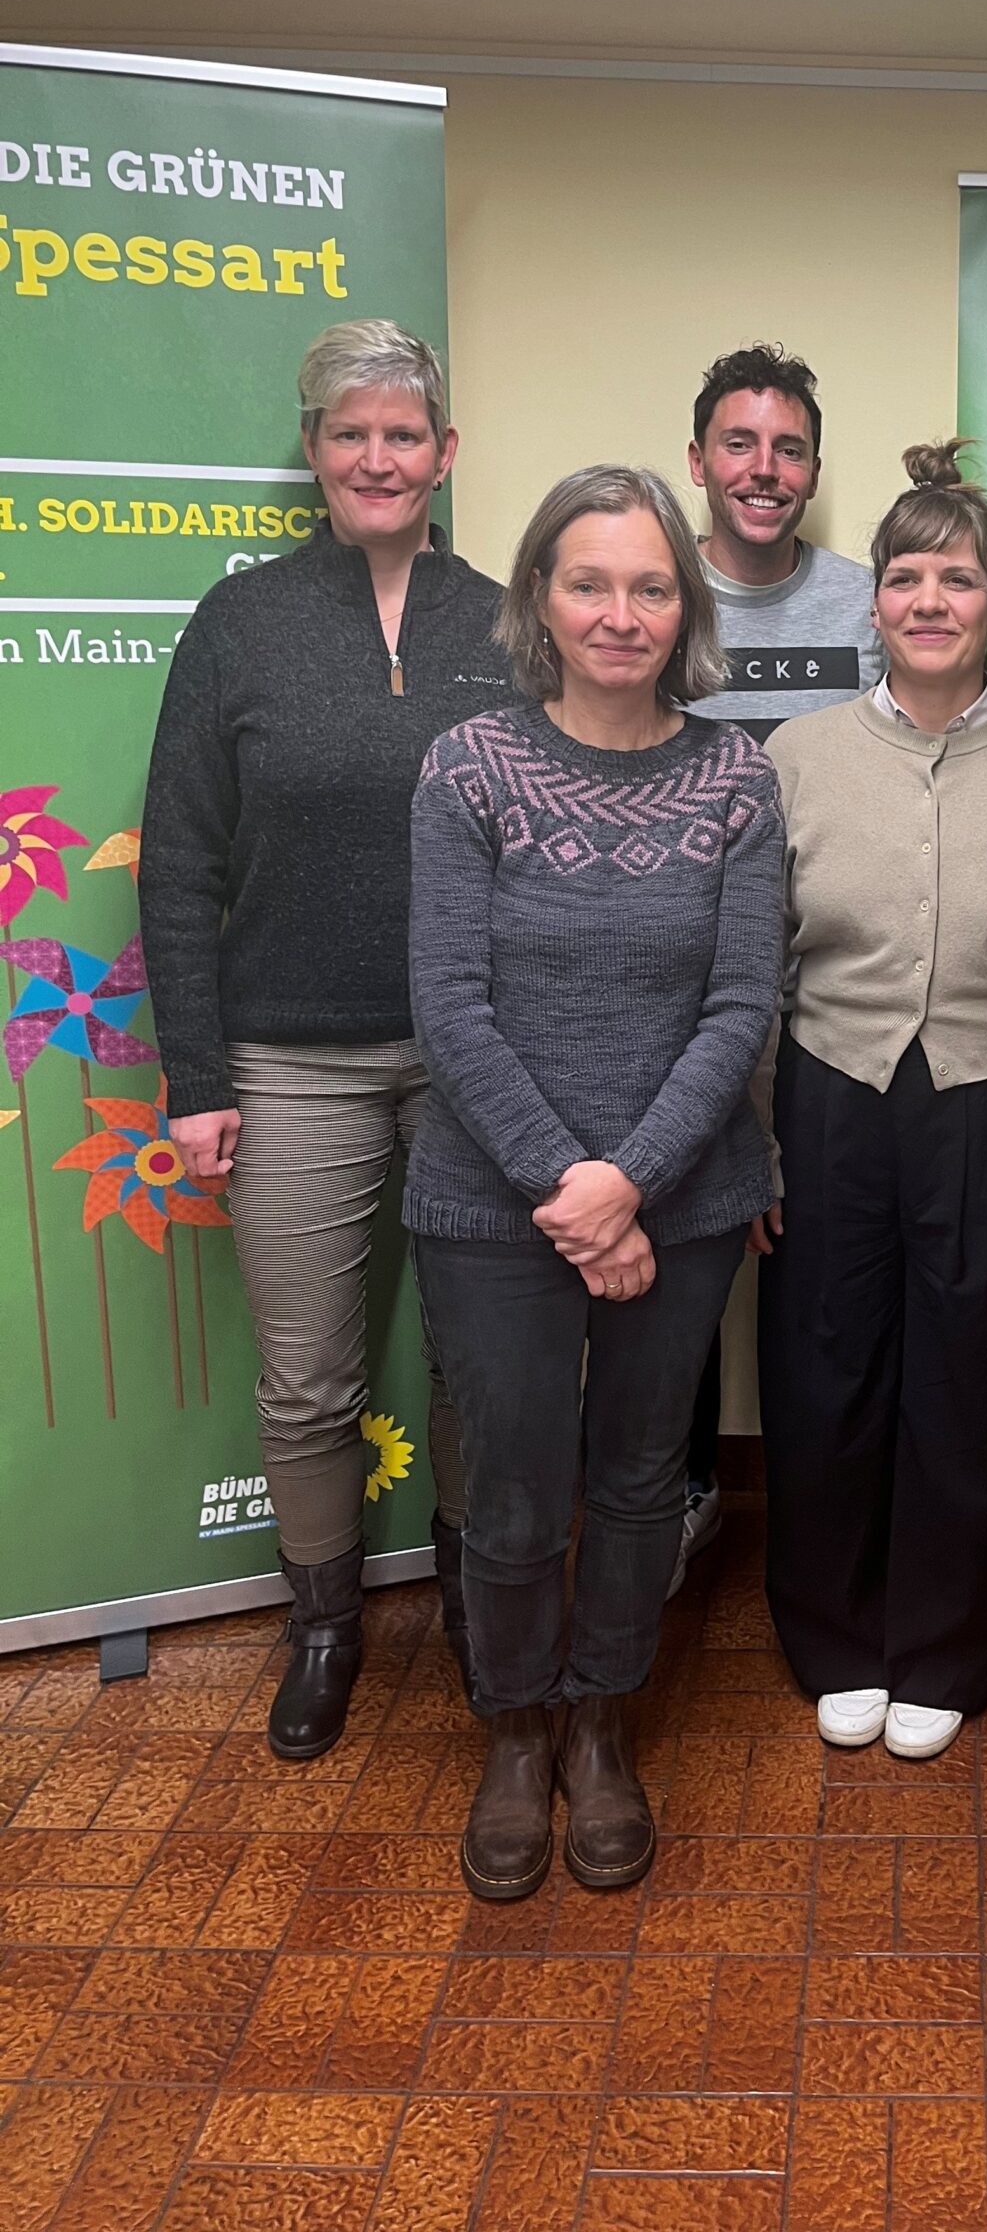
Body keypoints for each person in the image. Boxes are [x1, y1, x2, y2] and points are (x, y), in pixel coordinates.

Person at [404, 464, 783, 1902]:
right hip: (494, 1203)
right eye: (589, 582)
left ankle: (599, 1716)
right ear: (539, 600)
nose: (620, 614)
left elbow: (742, 1005)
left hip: (678, 1207)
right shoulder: (470, 768)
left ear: (684, 606)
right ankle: (514, 1728)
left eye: (650, 586)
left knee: (636, 1482)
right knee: (512, 1484)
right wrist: (569, 1184)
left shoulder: (737, 776)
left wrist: (627, 1184)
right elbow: (448, 1001)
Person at [141, 319, 513, 1761]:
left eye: (403, 434)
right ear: (314, 455)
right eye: (349, 433)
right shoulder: (239, 624)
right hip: (289, 1060)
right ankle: (325, 1625)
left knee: (483, 1358)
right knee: (309, 1374)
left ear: (445, 454)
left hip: (477, 1055)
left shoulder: (504, 619)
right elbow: (176, 862)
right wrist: (198, 1075)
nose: (378, 457)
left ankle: (482, 1600)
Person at [758, 443, 987, 1761]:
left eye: (956, 579)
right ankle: (836, 1636)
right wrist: (756, 1153)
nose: (927, 600)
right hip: (826, 1098)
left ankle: (951, 1647)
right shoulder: (797, 759)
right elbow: (756, 971)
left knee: (972, 1384)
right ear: (875, 603)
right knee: (824, 1374)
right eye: (903, 576)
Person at [673, 344, 883, 1594]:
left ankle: (822, 1528)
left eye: (788, 447)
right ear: (698, 458)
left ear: (811, 467)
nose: (764, 470)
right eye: (739, 444)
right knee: (679, 1279)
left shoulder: (866, 603)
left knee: (812, 1280)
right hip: (676, 1002)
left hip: (824, 1005)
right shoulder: (653, 594)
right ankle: (680, 1502)